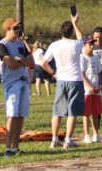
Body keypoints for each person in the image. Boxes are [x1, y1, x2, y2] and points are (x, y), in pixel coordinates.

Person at [42, 13, 85, 149]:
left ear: (60, 31)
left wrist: (53, 74)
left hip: (61, 80)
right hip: (75, 80)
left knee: (57, 112)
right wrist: (75, 23)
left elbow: (44, 63)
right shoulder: (76, 44)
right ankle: (68, 140)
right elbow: (81, 38)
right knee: (73, 112)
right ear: (71, 32)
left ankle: (54, 139)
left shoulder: (54, 45)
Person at [0, 18, 32, 157]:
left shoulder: (20, 44)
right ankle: (8, 148)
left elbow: (31, 62)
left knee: (20, 116)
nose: (18, 31)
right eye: (15, 28)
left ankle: (15, 146)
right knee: (11, 115)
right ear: (7, 29)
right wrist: (22, 62)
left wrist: (18, 60)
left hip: (24, 81)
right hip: (11, 83)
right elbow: (9, 64)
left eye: (19, 28)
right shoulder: (2, 45)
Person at [80, 38, 102, 143]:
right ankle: (86, 135)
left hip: (96, 89)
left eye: (93, 44)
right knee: (86, 113)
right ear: (84, 45)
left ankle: (96, 134)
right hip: (87, 90)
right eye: (90, 44)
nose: (92, 46)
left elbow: (99, 73)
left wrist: (99, 85)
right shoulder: (82, 57)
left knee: (96, 112)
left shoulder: (96, 58)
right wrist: (90, 87)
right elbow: (82, 74)